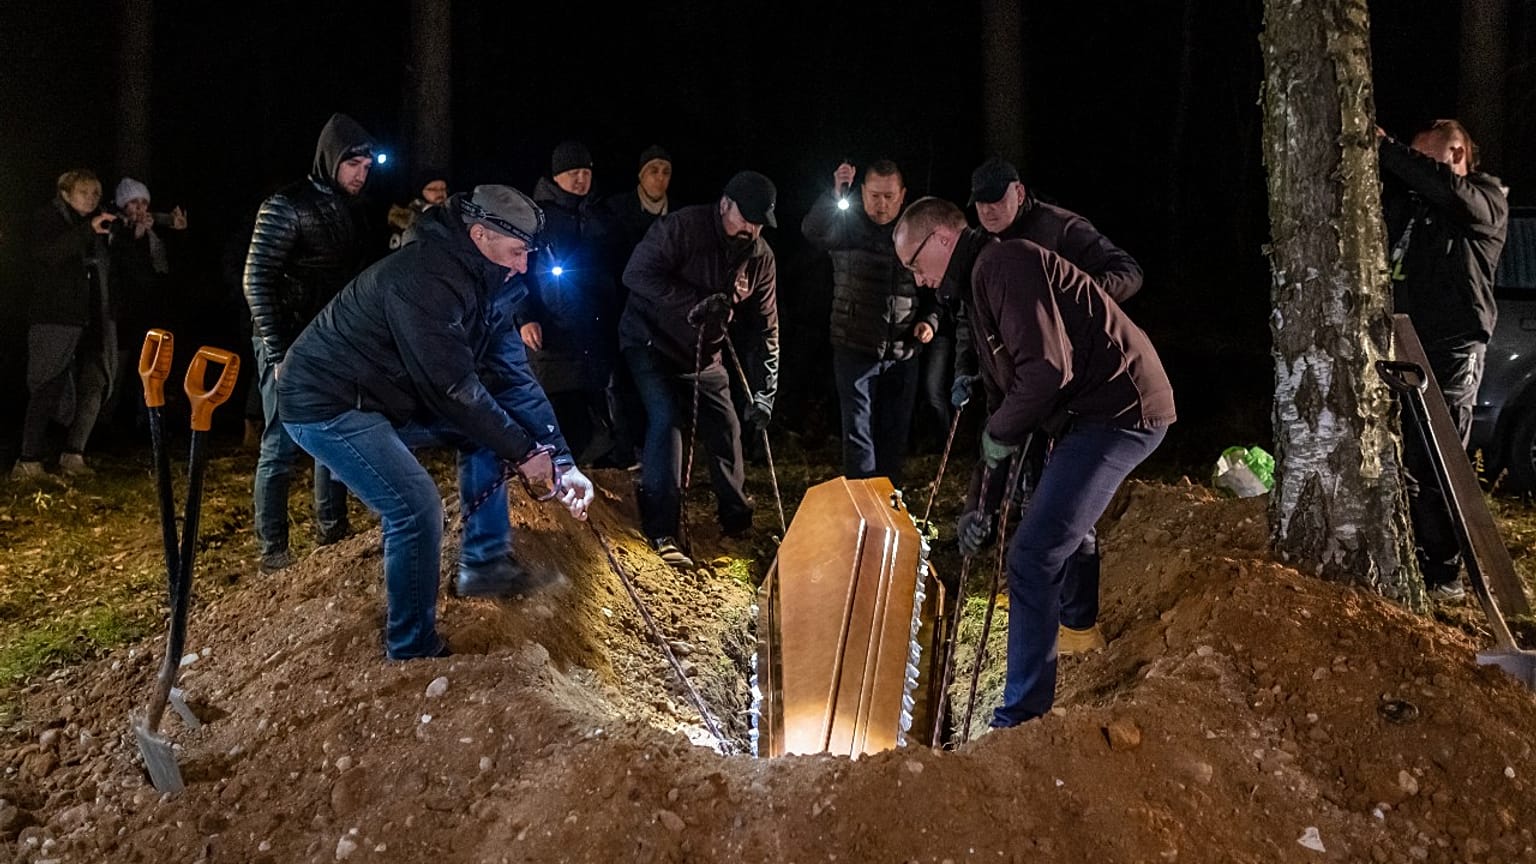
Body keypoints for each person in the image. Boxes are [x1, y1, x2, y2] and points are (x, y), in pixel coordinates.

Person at [278, 184, 595, 661]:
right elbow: (451, 388)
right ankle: (412, 647)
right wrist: (524, 453)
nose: (523, 266)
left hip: (386, 395)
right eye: (517, 252)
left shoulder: (492, 285)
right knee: (415, 506)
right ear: (480, 235)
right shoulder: (424, 278)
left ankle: (484, 566)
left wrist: (561, 459)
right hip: (327, 401)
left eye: (528, 255)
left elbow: (514, 379)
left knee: (490, 438)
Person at [894, 196, 1174, 728]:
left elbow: (1046, 372)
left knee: (1033, 554)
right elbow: (1004, 403)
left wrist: (999, 438)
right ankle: (1036, 687)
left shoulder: (1004, 264)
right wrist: (978, 507)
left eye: (914, 263)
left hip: (1120, 410)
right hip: (1088, 414)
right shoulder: (981, 283)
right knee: (1038, 543)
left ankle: (1022, 717)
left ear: (943, 239)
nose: (918, 279)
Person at [952, 156, 1148, 653]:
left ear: (1019, 192)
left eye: (997, 200)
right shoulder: (984, 253)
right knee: (1027, 495)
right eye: (980, 204)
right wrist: (965, 368)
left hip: (1073, 389)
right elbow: (976, 320)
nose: (989, 211)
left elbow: (1128, 272)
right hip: (1025, 390)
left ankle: (1079, 622)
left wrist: (1074, 300)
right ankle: (1037, 597)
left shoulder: (1061, 229)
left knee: (1068, 509)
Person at [619, 170, 780, 569]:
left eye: (760, 222)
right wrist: (694, 302)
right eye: (746, 218)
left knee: (727, 425)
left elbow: (767, 328)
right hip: (651, 343)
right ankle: (662, 529)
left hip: (705, 356)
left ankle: (736, 520)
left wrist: (766, 392)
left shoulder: (760, 257)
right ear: (725, 204)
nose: (752, 229)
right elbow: (635, 273)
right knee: (667, 419)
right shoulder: (683, 228)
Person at [1378, 119, 1509, 602]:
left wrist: (1390, 150)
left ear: (1456, 154)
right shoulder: (1413, 202)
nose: (1413, 170)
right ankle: (1410, 554)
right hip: (1401, 340)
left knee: (1439, 456)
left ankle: (1445, 571)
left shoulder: (1486, 196)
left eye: (1424, 158)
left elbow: (1451, 194)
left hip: (1452, 346)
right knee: (1401, 454)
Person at [243, 112, 378, 572]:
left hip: (331, 340)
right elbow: (256, 279)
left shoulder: (355, 209)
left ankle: (332, 531)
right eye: (353, 164)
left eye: (366, 166)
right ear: (331, 159)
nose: (361, 174)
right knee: (280, 443)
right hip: (286, 339)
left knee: (333, 437)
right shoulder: (286, 205)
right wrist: (278, 351)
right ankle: (273, 550)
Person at [802, 159, 934, 489]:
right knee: (858, 436)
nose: (881, 204)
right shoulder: (847, 225)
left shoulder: (917, 231)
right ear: (862, 193)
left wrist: (929, 321)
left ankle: (889, 503)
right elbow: (812, 230)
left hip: (904, 351)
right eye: (874, 196)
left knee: (894, 434)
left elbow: (936, 289)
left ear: (902, 195)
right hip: (854, 346)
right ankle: (862, 504)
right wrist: (834, 194)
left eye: (889, 196)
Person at [517, 140, 622, 466]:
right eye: (573, 172)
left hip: (594, 330)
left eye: (586, 172)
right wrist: (525, 317)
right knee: (560, 408)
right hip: (552, 331)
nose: (581, 179)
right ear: (556, 176)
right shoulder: (537, 218)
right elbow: (519, 272)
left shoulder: (600, 214)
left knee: (594, 410)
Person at [12, 170, 118, 480]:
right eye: (84, 192)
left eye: (96, 193)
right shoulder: (48, 219)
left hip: (93, 318)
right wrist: (87, 231)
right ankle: (28, 459)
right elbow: (49, 254)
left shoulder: (100, 224)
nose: (91, 198)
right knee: (48, 385)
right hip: (55, 317)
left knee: (94, 382)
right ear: (65, 193)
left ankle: (74, 454)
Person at [601, 145, 675, 469]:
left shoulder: (677, 217)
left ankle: (649, 449)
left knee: (656, 383)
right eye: (653, 171)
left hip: (661, 314)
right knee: (620, 381)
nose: (660, 178)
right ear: (641, 175)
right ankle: (623, 447)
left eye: (666, 171)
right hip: (620, 306)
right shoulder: (617, 209)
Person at [103, 176, 188, 432]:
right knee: (118, 369)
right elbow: (127, 270)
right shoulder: (115, 229)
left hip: (152, 311)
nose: (140, 208)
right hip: (125, 313)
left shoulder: (154, 234)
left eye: (143, 202)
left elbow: (172, 267)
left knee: (151, 367)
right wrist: (137, 238)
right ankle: (106, 421)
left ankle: (148, 421)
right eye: (133, 202)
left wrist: (179, 233)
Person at [388, 173, 449, 250]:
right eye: (433, 189)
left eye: (443, 189)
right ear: (420, 191)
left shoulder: (452, 215)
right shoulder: (404, 221)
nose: (440, 193)